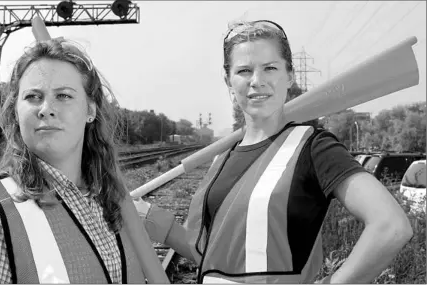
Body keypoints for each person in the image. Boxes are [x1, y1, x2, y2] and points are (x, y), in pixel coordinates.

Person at [134, 19, 413, 283]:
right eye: (244, 70)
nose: (257, 80)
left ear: (289, 75)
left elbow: (390, 226)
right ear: (229, 82)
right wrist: (154, 221)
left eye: (270, 68)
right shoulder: (221, 159)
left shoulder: (314, 146)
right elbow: (209, 255)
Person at [0, 38, 147, 284]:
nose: (46, 108)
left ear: (90, 110)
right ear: (15, 112)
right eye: (33, 96)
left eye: (63, 95)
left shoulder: (106, 204)